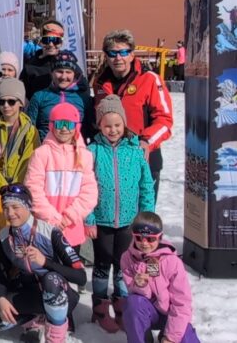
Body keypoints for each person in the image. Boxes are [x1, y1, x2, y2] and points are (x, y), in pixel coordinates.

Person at [0, 184, 86, 343]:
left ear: (28, 206)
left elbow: (81, 277)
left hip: (60, 293)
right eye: (5, 208)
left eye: (15, 207)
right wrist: (1, 297)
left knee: (51, 279)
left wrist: (45, 262)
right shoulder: (4, 236)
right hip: (31, 294)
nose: (10, 213)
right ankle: (35, 320)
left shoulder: (50, 232)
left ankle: (56, 335)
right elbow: (0, 272)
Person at [86, 95, 155, 333]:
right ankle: (99, 308)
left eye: (117, 125)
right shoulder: (92, 151)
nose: (113, 130)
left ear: (124, 124)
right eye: (107, 125)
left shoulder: (135, 152)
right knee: (102, 264)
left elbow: (146, 185)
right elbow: (85, 186)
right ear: (99, 126)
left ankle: (122, 307)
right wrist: (89, 217)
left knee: (124, 265)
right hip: (101, 221)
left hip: (129, 222)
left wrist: (145, 217)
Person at [93, 29, 174, 200]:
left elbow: (165, 120)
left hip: (143, 156)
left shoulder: (150, 79)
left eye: (124, 52)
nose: (118, 58)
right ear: (106, 56)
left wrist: (146, 141)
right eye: (113, 53)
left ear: (132, 54)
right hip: (110, 159)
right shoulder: (100, 83)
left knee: (142, 218)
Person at [0, 77, 38, 302]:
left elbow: (30, 160)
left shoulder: (30, 131)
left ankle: (12, 285)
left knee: (14, 243)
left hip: (19, 195)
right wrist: (3, 185)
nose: (6, 106)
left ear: (21, 103)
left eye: (12, 101)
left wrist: (16, 188)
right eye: (2, 102)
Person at [25, 102, 98, 250]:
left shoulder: (84, 156)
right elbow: (33, 189)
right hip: (44, 229)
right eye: (59, 124)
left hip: (71, 230)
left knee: (69, 271)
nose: (64, 129)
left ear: (76, 127)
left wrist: (69, 216)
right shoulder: (41, 154)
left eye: (69, 125)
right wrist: (53, 218)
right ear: (52, 125)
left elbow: (89, 193)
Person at [121, 212, 201, 343]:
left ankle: (167, 333)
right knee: (133, 303)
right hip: (148, 312)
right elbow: (133, 291)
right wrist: (141, 285)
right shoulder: (127, 258)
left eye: (150, 239)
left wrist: (171, 338)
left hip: (171, 313)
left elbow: (182, 302)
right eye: (139, 238)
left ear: (160, 237)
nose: (144, 243)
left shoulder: (172, 262)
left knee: (185, 337)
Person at [25, 51, 91, 143]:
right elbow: (28, 129)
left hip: (74, 152)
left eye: (68, 72)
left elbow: (89, 130)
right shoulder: (39, 96)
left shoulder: (83, 98)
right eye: (59, 72)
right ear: (52, 73)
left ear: (74, 74)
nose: (64, 76)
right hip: (46, 151)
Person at [21, 20, 66, 102]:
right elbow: (23, 96)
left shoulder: (69, 64)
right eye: (47, 40)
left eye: (56, 40)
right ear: (41, 42)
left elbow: (82, 91)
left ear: (61, 43)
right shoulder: (30, 66)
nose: (51, 44)